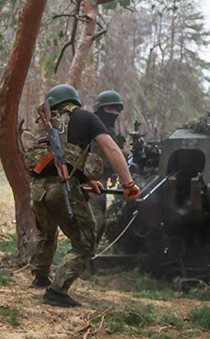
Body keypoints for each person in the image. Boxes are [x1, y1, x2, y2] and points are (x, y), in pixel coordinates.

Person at [29, 84, 140, 307]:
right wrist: (129, 184)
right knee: (85, 244)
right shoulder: (85, 117)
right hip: (62, 189)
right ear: (74, 100)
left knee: (47, 233)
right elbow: (111, 149)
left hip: (38, 189)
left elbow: (60, 158)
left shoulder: (45, 124)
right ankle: (57, 291)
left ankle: (40, 277)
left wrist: (88, 181)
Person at [88, 90, 126, 236]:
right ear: (99, 109)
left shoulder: (110, 132)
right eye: (110, 109)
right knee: (95, 222)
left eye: (117, 110)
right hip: (87, 180)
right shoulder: (89, 128)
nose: (114, 113)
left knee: (99, 222)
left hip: (101, 180)